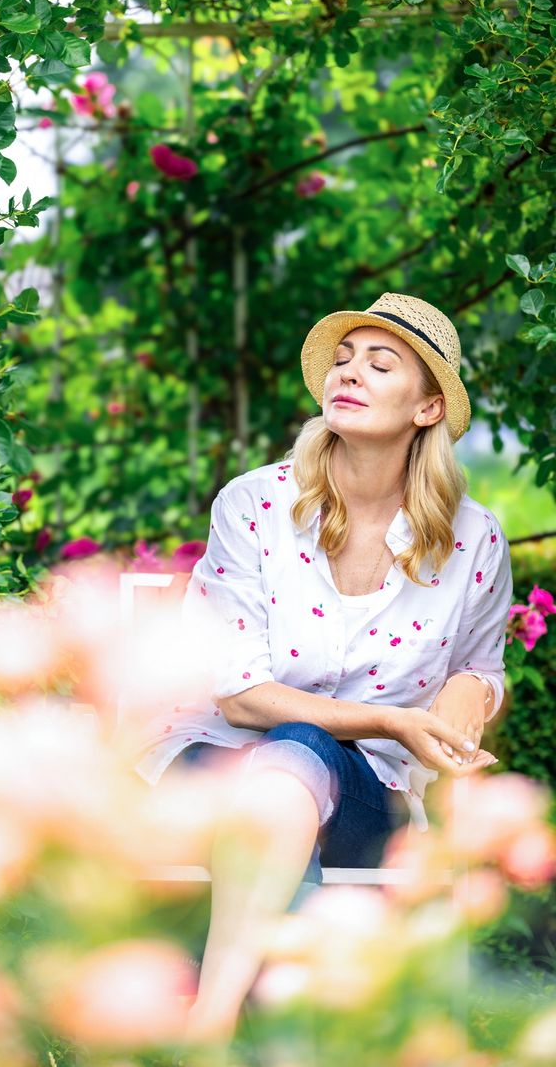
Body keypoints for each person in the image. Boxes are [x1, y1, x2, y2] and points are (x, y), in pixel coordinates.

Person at [133, 292, 513, 1043]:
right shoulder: (255, 505)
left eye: (380, 363)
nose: (350, 372)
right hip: (213, 770)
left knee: (301, 753)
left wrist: (469, 698)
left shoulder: (473, 539)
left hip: (363, 795)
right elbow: (240, 696)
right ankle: (244, 1028)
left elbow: (481, 664)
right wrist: (390, 720)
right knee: (291, 752)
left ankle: (209, 1025)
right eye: (343, 359)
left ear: (429, 408)